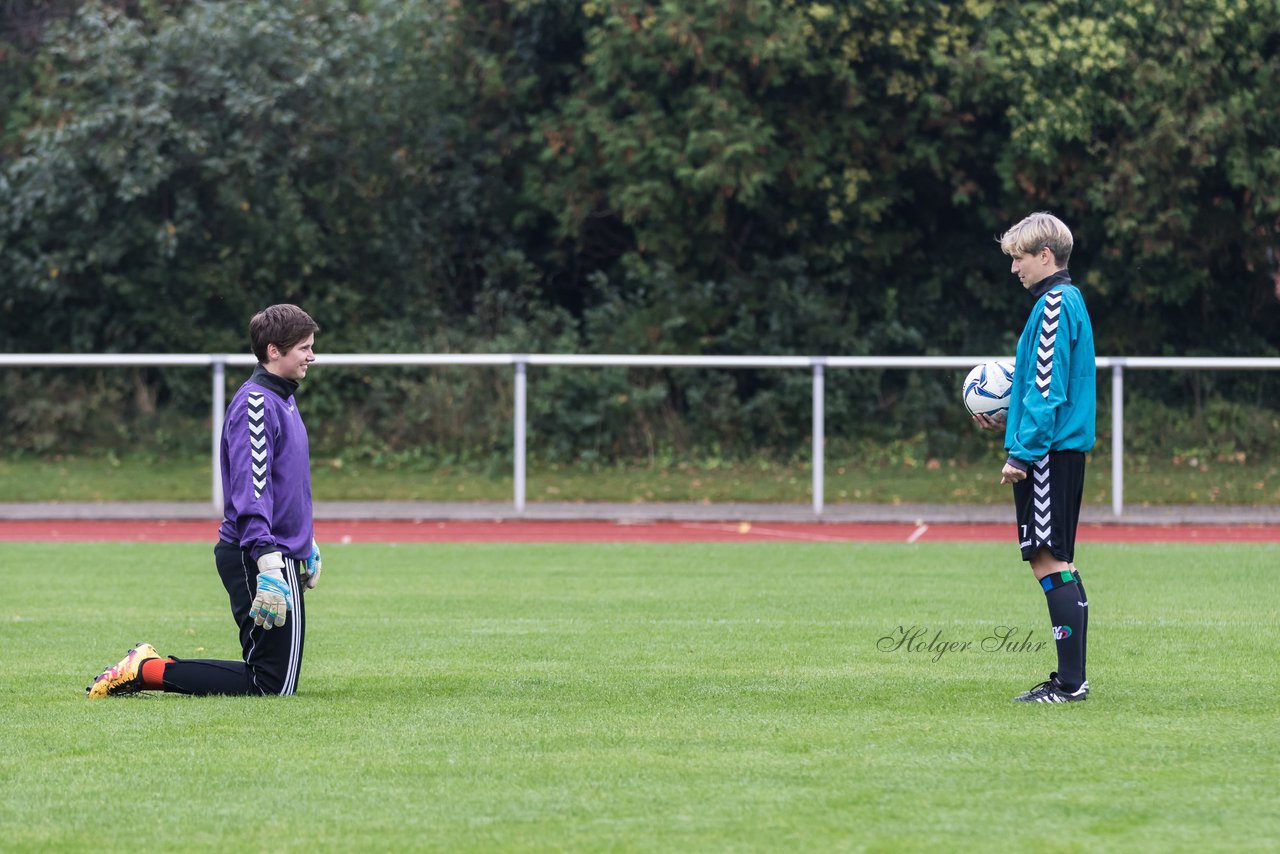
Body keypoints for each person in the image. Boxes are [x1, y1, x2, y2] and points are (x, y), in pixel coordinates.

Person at [88, 304, 322, 697]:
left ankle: (148, 666)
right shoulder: (257, 404)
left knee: (272, 680)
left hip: (277, 549)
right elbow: (252, 490)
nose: (312, 356)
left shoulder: (283, 398)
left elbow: (287, 483)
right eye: (303, 347)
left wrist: (307, 542)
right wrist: (267, 562)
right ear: (273, 351)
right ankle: (146, 670)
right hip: (258, 553)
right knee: (270, 685)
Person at [974, 212, 1095, 703]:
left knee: (1047, 559)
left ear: (1045, 255)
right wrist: (1014, 421)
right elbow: (1051, 387)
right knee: (1056, 559)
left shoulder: (1051, 305)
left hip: (1046, 455)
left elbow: (1046, 387)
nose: (1013, 269)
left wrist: (1022, 454)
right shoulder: (1071, 300)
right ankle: (1072, 679)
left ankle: (1069, 684)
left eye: (1019, 258)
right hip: (1056, 448)